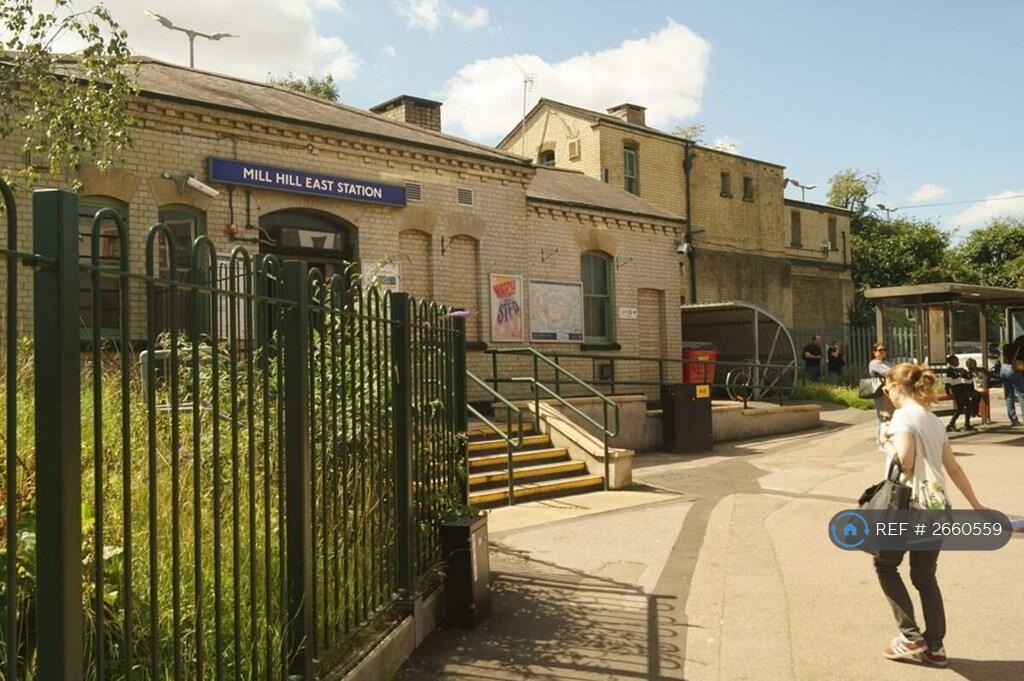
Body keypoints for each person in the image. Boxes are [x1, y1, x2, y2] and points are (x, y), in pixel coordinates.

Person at [875, 363, 986, 667]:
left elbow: (906, 461)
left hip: (908, 508)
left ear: (898, 387)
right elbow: (953, 467)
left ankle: (910, 636)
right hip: (937, 507)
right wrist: (976, 505)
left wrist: (887, 438)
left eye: (887, 386)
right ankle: (935, 645)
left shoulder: (901, 418)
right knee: (925, 577)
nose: (885, 391)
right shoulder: (934, 420)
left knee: (885, 565)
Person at [943, 355, 975, 432]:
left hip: (962, 389)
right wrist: (947, 391)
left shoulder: (957, 370)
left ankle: (967, 424)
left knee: (969, 406)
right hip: (956, 390)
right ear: (951, 362)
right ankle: (951, 424)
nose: (958, 362)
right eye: (956, 361)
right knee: (960, 408)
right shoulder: (950, 370)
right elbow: (948, 381)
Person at [868, 342, 892, 443]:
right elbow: (888, 373)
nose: (883, 352)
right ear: (874, 352)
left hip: (889, 392)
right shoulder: (874, 363)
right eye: (880, 350)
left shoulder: (887, 363)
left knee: (889, 415)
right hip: (879, 392)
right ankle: (880, 440)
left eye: (884, 350)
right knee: (881, 416)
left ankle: (887, 436)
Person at [999, 343, 1024, 426]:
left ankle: (1013, 419)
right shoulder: (1018, 347)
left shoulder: (1007, 348)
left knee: (1009, 396)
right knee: (1021, 394)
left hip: (1003, 369)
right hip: (1013, 369)